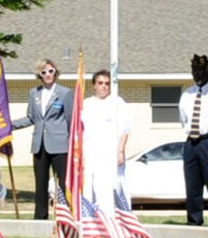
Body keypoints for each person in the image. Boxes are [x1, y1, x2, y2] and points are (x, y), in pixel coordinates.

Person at [12, 59, 72, 221]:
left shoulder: (65, 93)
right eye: (43, 72)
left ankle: (64, 217)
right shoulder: (34, 93)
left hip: (60, 145)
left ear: (56, 72)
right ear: (39, 75)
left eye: (50, 71)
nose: (47, 75)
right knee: (40, 183)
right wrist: (10, 125)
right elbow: (31, 117)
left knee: (61, 183)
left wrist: (72, 144)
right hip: (39, 144)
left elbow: (70, 120)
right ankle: (40, 217)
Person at [79, 68, 132, 220]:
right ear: (94, 85)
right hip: (90, 154)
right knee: (91, 187)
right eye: (100, 83)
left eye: (107, 83)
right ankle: (92, 220)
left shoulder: (117, 102)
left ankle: (114, 219)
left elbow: (125, 129)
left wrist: (120, 151)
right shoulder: (86, 104)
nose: (104, 86)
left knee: (112, 186)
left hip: (111, 154)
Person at [178, 55, 208, 226]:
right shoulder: (187, 94)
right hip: (191, 144)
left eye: (201, 71)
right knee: (192, 186)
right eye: (194, 71)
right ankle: (194, 221)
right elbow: (183, 120)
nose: (197, 74)